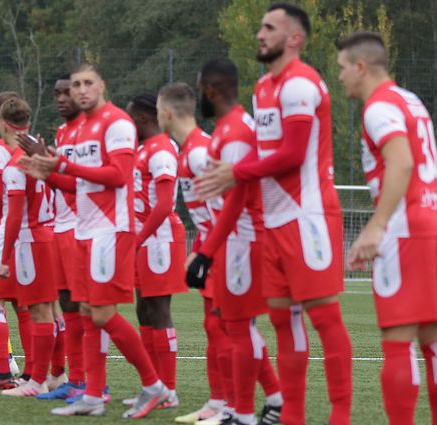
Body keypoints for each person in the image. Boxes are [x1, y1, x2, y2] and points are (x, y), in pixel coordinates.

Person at [195, 5, 353, 425]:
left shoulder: (300, 83)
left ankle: (340, 416)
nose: (260, 34)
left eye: (270, 28)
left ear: (295, 38)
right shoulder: (264, 87)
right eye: (261, 27)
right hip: (276, 222)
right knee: (284, 321)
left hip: (309, 216)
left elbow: (293, 154)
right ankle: (293, 416)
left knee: (324, 316)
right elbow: (268, 154)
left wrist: (236, 172)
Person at [21, 63, 168, 419]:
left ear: (102, 85)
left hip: (111, 230)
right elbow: (79, 185)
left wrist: (62, 167)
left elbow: (118, 177)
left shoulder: (117, 123)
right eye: (76, 85)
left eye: (88, 83)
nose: (81, 90)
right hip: (85, 230)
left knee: (101, 312)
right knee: (87, 313)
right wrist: (49, 173)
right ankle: (93, 394)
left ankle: (154, 385)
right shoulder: (78, 130)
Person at [337, 31, 437, 425]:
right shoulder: (410, 99)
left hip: (406, 230)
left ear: (360, 67)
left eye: (341, 68)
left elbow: (402, 162)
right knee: (435, 341)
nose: (339, 77)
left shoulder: (379, 107)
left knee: (397, 342)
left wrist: (376, 226)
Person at [188, 59, 282, 425]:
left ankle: (244, 414)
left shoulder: (238, 132)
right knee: (230, 325)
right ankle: (273, 401)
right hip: (232, 240)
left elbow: (237, 199)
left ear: (210, 90)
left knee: (239, 328)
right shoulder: (227, 129)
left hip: (244, 239)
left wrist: (205, 253)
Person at [156, 82, 241, 424]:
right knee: (213, 327)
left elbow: (228, 205)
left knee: (228, 329)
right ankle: (219, 402)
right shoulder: (188, 149)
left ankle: (236, 406)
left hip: (227, 248)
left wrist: (207, 251)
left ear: (167, 113)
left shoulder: (199, 152)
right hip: (213, 247)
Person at [0, 98, 59, 397]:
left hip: (27, 240)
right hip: (52, 234)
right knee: (50, 311)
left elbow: (8, 209)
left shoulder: (16, 159)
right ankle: (56, 375)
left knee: (4, 302)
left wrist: (2, 253)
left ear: (1, 121)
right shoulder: (43, 155)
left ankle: (28, 376)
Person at [125, 93, 188, 409]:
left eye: (130, 116)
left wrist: (138, 239)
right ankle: (152, 385)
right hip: (143, 239)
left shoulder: (162, 148)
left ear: (143, 118)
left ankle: (169, 390)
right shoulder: (143, 149)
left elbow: (164, 204)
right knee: (143, 311)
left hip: (159, 240)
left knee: (160, 312)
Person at [34, 75, 88, 401]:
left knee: (89, 309)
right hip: (62, 228)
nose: (60, 98)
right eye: (56, 93)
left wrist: (50, 168)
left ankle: (92, 383)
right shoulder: (64, 132)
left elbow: (86, 182)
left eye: (65, 92)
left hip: (86, 228)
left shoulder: (88, 130)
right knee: (66, 304)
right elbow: (62, 180)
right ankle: (73, 378)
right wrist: (45, 162)